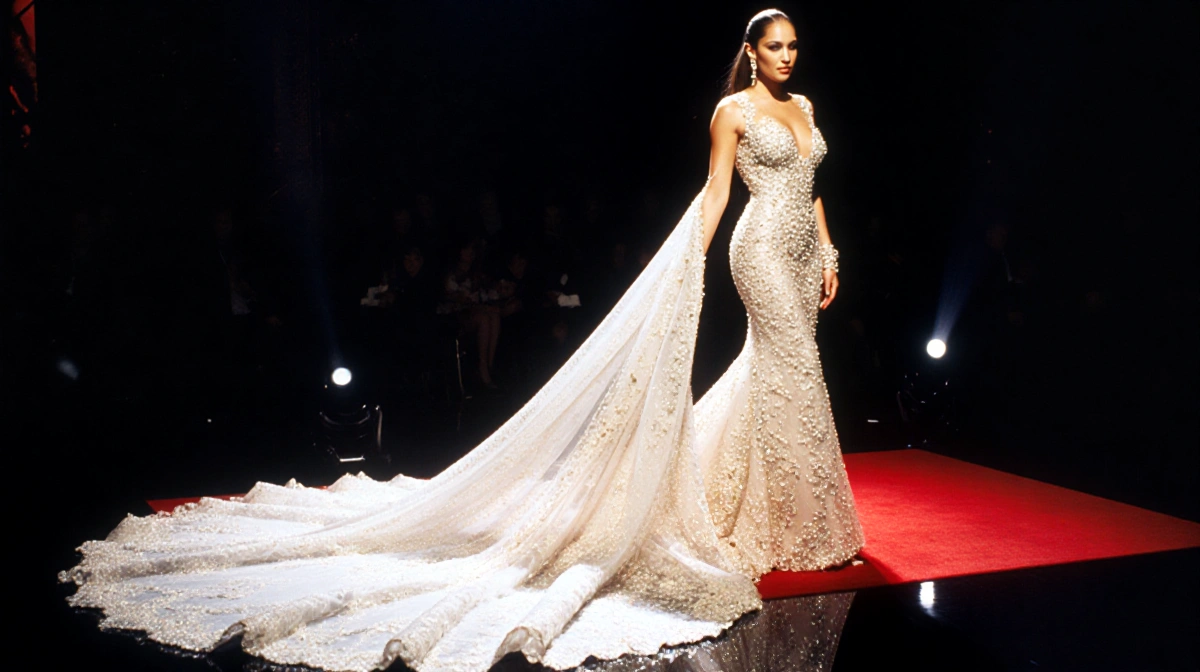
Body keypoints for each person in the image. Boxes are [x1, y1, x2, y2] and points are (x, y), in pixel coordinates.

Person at [60, 9, 863, 672]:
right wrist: (685, 258)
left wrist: (828, 251)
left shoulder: (808, 111)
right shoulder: (735, 110)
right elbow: (720, 190)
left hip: (802, 253)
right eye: (775, 46)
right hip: (755, 252)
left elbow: (811, 187)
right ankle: (788, 519)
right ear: (750, 53)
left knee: (780, 372)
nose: (787, 57)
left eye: (794, 46)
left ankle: (782, 510)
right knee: (791, 362)